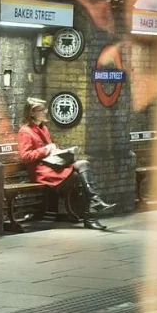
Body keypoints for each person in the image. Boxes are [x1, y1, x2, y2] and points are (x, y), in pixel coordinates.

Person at [18, 98, 116, 230]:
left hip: (53, 166)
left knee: (83, 165)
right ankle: (92, 211)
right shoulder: (25, 131)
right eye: (42, 110)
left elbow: (49, 149)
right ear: (32, 113)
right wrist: (46, 149)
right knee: (81, 175)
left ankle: (94, 204)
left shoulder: (44, 128)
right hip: (41, 171)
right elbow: (26, 156)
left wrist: (61, 151)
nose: (45, 112)